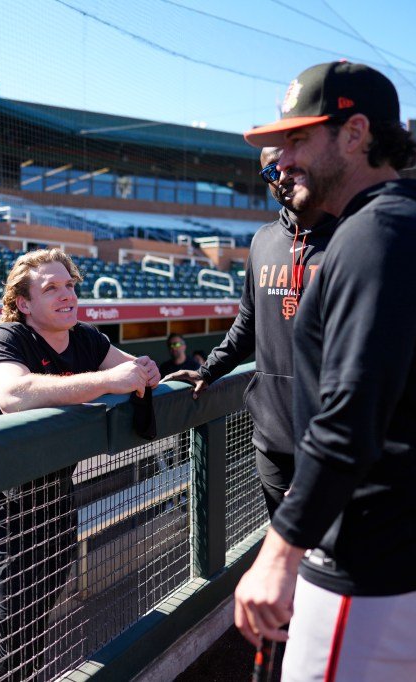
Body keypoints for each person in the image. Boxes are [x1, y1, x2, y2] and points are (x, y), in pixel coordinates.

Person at [234, 62, 416, 679]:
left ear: (355, 134)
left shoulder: (377, 234)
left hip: (374, 549)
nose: (281, 157)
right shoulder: (410, 219)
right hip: (412, 533)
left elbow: (351, 415)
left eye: (297, 139)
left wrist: (279, 550)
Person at [0, 247, 160, 679]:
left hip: (57, 500)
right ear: (24, 303)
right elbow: (13, 395)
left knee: (37, 626)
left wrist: (147, 371)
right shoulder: (6, 337)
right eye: (51, 288)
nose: (66, 295)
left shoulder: (85, 337)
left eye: (70, 285)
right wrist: (109, 380)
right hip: (8, 508)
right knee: (20, 631)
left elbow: (133, 371)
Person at [164, 145, 336, 519]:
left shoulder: (348, 238)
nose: (281, 178)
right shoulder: (262, 240)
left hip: (332, 428)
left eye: (289, 167)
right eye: (270, 172)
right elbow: (247, 321)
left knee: (334, 552)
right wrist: (208, 370)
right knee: (283, 540)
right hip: (273, 429)